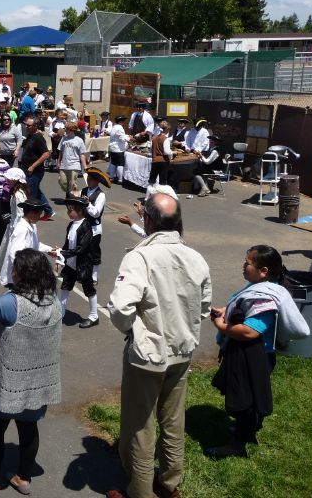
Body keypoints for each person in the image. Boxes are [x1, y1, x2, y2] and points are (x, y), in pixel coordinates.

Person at [106, 193, 212, 498]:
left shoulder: (140, 257)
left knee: (140, 425)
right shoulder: (195, 257)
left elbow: (119, 309)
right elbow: (204, 307)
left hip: (147, 356)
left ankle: (141, 491)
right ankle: (169, 484)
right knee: (173, 420)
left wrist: (134, 332)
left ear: (148, 221)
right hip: (182, 350)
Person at [0, 249, 61, 497]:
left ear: (21, 274)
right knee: (29, 430)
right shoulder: (54, 301)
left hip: (5, 382)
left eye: (15, 269)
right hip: (38, 382)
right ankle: (23, 478)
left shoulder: (12, 304)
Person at [205, 245, 288, 459]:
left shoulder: (265, 297)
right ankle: (247, 429)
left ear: (264, 271)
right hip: (247, 355)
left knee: (245, 402)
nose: (243, 265)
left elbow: (250, 331)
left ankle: (237, 445)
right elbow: (243, 306)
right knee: (247, 399)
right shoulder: (257, 287)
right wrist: (226, 310)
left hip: (254, 358)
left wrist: (221, 326)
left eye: (248, 263)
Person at [57, 197, 100, 328]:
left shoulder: (86, 226)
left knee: (88, 289)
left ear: (80, 211)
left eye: (71, 210)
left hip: (83, 263)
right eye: (68, 209)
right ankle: (61, 312)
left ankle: (94, 316)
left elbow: (81, 248)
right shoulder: (71, 225)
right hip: (71, 263)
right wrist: (60, 255)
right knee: (65, 285)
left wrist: (63, 253)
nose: (68, 212)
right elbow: (67, 244)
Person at [0, 198, 55, 287]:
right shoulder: (22, 229)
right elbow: (14, 254)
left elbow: (34, 244)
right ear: (32, 213)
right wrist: (25, 273)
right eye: (39, 214)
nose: (40, 217)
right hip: (19, 277)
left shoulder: (31, 225)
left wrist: (49, 250)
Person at [0, 168, 28, 280]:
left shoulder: (18, 195)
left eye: (9, 178)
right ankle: (8, 274)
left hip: (15, 227)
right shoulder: (15, 192)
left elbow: (20, 214)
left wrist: (15, 229)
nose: (6, 179)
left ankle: (12, 276)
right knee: (8, 250)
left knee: (13, 252)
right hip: (12, 224)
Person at [19, 115, 54, 219]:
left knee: (31, 193)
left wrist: (33, 166)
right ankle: (48, 210)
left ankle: (32, 214)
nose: (26, 127)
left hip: (34, 171)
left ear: (35, 126)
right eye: (26, 125)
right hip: (26, 169)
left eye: (29, 126)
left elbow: (46, 154)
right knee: (36, 190)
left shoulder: (38, 137)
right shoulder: (30, 135)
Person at [81, 166, 110, 286]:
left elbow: (96, 213)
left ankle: (94, 276)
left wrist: (87, 204)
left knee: (94, 252)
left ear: (97, 181)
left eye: (91, 179)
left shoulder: (101, 195)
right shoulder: (84, 190)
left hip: (94, 228)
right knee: (82, 250)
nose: (88, 181)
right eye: (88, 178)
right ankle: (83, 273)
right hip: (83, 225)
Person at [57, 121, 87, 200]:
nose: (65, 130)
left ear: (71, 130)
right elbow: (60, 151)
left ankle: (72, 199)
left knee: (73, 183)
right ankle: (68, 192)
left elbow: (82, 154)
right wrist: (58, 162)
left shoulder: (79, 140)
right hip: (64, 164)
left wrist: (85, 166)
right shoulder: (64, 139)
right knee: (62, 181)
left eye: (66, 129)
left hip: (74, 165)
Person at [148, 120, 173, 187]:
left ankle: (147, 197)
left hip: (154, 160)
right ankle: (161, 196)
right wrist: (172, 153)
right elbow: (166, 152)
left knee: (151, 180)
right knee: (163, 181)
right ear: (167, 129)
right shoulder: (166, 139)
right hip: (163, 161)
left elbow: (151, 149)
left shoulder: (154, 138)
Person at [107, 115, 129, 183]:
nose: (124, 122)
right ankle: (120, 179)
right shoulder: (120, 128)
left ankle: (111, 177)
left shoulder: (114, 127)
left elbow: (118, 136)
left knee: (113, 163)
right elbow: (122, 138)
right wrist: (129, 138)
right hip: (118, 149)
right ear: (120, 121)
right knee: (120, 164)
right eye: (123, 121)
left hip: (113, 148)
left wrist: (127, 136)